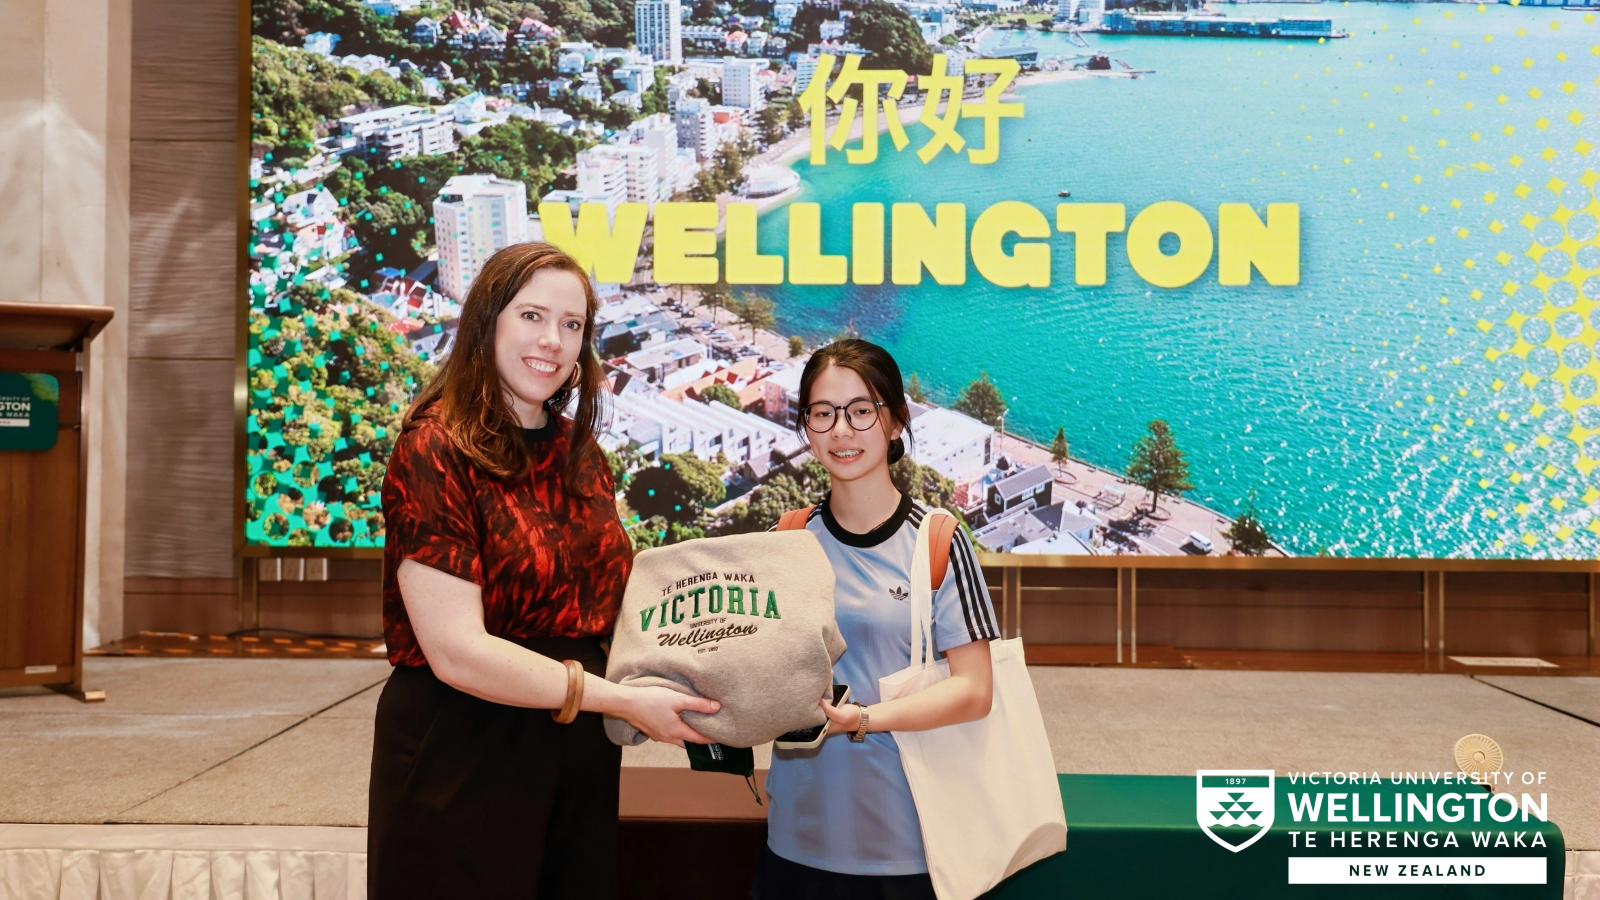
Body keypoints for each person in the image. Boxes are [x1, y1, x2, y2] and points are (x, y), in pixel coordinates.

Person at [368, 242, 719, 900]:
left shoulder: (579, 452)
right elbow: (456, 653)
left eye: (572, 325)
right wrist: (621, 700)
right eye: (532, 316)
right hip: (462, 750)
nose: (552, 341)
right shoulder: (433, 449)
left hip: (576, 757)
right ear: (487, 322)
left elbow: (614, 605)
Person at [755, 339, 1001, 900]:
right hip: (797, 840)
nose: (842, 430)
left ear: (894, 423)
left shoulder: (937, 541)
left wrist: (864, 717)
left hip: (909, 848)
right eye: (823, 413)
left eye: (861, 411)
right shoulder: (784, 541)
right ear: (807, 428)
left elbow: (975, 690)